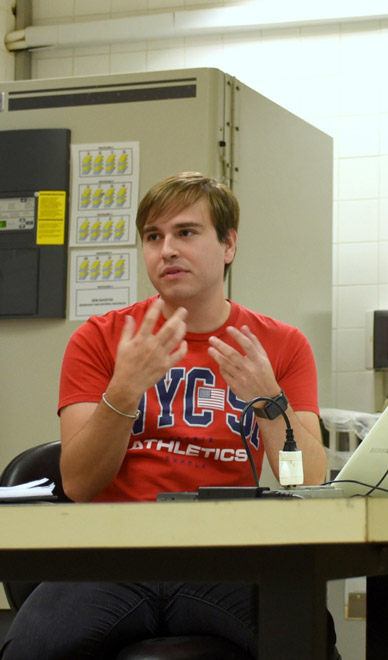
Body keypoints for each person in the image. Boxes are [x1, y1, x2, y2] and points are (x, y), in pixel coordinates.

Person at [1, 172, 334, 659]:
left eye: (186, 232)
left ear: (228, 245)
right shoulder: (100, 338)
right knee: (29, 648)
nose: (167, 250)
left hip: (226, 559)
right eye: (153, 237)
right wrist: (124, 389)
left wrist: (267, 399)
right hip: (114, 556)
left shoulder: (280, 345)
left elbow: (306, 482)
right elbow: (78, 483)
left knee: (307, 637)